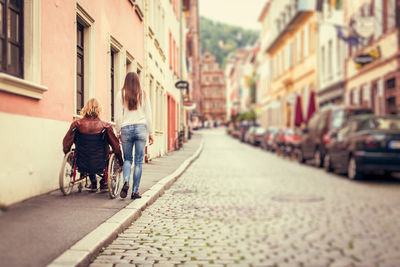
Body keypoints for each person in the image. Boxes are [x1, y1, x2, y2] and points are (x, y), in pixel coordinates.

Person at [63, 98, 123, 192]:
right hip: (100, 160)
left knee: (87, 154)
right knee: (108, 153)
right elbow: (116, 146)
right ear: (99, 110)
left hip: (82, 158)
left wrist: (68, 158)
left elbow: (66, 143)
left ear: (85, 109)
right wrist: (121, 161)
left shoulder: (77, 124)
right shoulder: (105, 126)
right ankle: (103, 182)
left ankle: (93, 181)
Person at [115, 72, 154, 199]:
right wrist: (151, 133)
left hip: (126, 128)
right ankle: (135, 191)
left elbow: (118, 115)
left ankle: (126, 181)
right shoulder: (143, 94)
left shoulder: (120, 94)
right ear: (137, 81)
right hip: (141, 128)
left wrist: (118, 131)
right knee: (138, 161)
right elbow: (148, 115)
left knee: (127, 159)